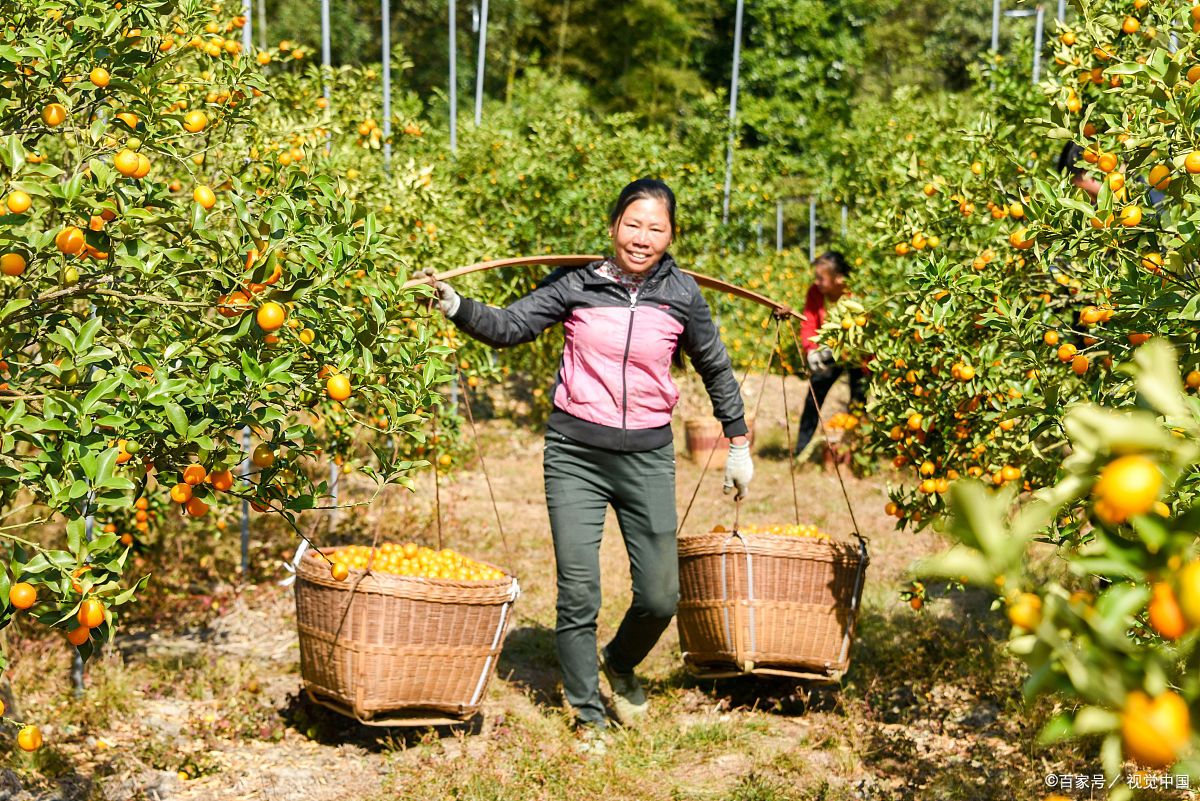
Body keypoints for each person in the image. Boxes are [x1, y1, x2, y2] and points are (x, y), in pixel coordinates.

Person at [422, 178, 752, 748]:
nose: (642, 237)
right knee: (579, 592)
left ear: (671, 235)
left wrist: (739, 442)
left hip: (648, 455)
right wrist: (456, 304)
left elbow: (716, 368)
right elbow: (511, 326)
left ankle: (619, 663)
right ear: (613, 226)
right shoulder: (576, 282)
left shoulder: (682, 295)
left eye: (656, 228)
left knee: (659, 597)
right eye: (633, 224)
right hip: (575, 454)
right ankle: (587, 714)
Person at [793, 251, 867, 459]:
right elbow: (808, 322)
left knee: (858, 402)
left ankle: (858, 452)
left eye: (821, 278)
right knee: (813, 397)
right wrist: (810, 350)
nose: (817, 282)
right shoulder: (816, 293)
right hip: (829, 353)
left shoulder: (855, 294)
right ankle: (801, 452)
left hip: (856, 354)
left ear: (838, 278)